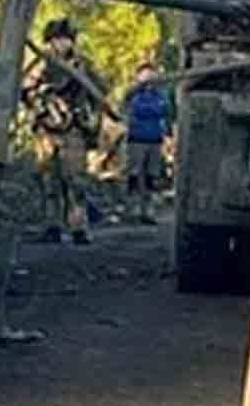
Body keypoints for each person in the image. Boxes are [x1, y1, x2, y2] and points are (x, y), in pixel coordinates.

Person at [24, 17, 113, 245]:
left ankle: (79, 227)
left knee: (76, 182)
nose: (62, 44)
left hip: (73, 130)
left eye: (65, 39)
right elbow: (25, 90)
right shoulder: (40, 65)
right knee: (48, 181)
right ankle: (52, 225)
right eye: (57, 40)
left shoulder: (82, 65)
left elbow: (101, 90)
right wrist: (40, 94)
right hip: (46, 130)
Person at [123, 65, 173, 224]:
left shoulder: (161, 94)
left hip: (155, 139)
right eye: (145, 75)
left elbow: (164, 109)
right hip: (136, 139)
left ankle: (148, 211)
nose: (148, 78)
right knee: (134, 175)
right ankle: (133, 209)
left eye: (151, 74)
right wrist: (150, 110)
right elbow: (134, 109)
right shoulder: (133, 93)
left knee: (152, 176)